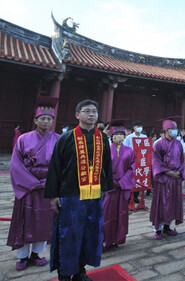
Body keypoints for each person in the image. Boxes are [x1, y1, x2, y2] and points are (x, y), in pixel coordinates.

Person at [44, 99, 113, 281]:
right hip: (70, 194)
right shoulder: (66, 138)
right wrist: (54, 195)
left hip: (94, 194)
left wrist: (105, 187)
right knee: (69, 234)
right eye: (87, 111)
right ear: (77, 115)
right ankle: (65, 273)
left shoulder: (103, 138)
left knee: (89, 233)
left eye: (95, 111)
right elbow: (55, 167)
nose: (92, 114)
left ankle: (80, 270)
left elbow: (107, 164)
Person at [7, 97, 60, 271]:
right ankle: (22, 256)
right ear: (35, 120)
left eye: (49, 118)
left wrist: (50, 183)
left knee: (44, 220)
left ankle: (37, 254)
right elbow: (16, 164)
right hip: (28, 188)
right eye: (42, 118)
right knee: (25, 220)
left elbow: (63, 165)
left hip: (48, 188)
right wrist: (33, 183)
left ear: (53, 121)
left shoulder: (59, 139)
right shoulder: (23, 139)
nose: (46, 121)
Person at [150, 117, 185, 239]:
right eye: (172, 129)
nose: (175, 131)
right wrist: (168, 172)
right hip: (164, 179)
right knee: (162, 203)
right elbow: (156, 162)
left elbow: (182, 160)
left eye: (176, 128)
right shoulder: (158, 144)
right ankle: (158, 229)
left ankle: (167, 226)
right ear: (166, 130)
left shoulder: (178, 143)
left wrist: (179, 172)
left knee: (172, 203)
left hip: (175, 178)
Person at [102, 121, 135, 249]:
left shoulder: (129, 151)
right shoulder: (105, 150)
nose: (119, 137)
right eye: (117, 134)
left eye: (122, 134)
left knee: (120, 214)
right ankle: (104, 241)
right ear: (111, 136)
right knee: (106, 214)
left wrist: (121, 182)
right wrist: (110, 182)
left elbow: (132, 168)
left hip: (121, 188)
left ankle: (116, 239)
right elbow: (102, 169)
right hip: (108, 189)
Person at [124, 121, 147, 202]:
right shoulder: (129, 137)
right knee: (131, 178)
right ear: (134, 127)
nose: (139, 128)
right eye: (138, 126)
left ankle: (136, 196)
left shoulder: (144, 137)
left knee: (139, 178)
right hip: (131, 160)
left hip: (141, 160)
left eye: (141, 126)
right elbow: (125, 149)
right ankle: (129, 195)